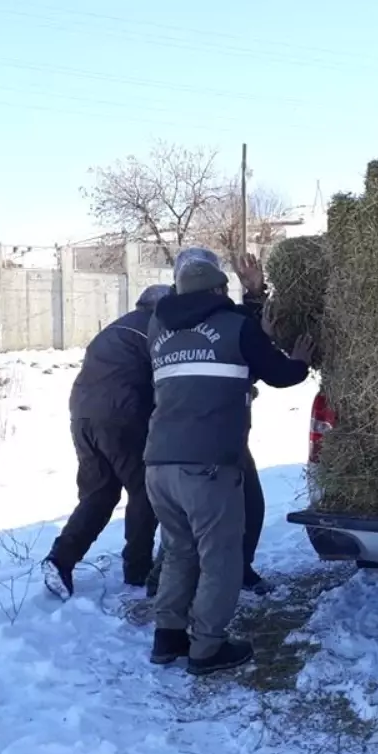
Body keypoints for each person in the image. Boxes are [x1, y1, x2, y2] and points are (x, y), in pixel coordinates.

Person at [144, 255, 313, 674]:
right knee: (221, 558)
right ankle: (206, 648)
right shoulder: (236, 326)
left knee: (180, 551)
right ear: (220, 291)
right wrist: (301, 360)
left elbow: (224, 343)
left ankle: (168, 637)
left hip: (158, 462)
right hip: (208, 464)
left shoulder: (158, 329)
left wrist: (253, 299)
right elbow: (278, 373)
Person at [144, 247, 274, 598]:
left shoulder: (163, 319)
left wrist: (253, 294)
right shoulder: (204, 319)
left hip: (173, 440)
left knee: (182, 532)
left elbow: (239, 333)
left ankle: (169, 618)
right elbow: (246, 336)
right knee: (214, 541)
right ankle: (206, 637)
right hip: (209, 440)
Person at [41, 283, 172, 599]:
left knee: (100, 493)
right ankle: (138, 569)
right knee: (144, 489)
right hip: (122, 418)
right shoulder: (156, 330)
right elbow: (166, 380)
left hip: (82, 417)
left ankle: (61, 560)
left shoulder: (116, 328)